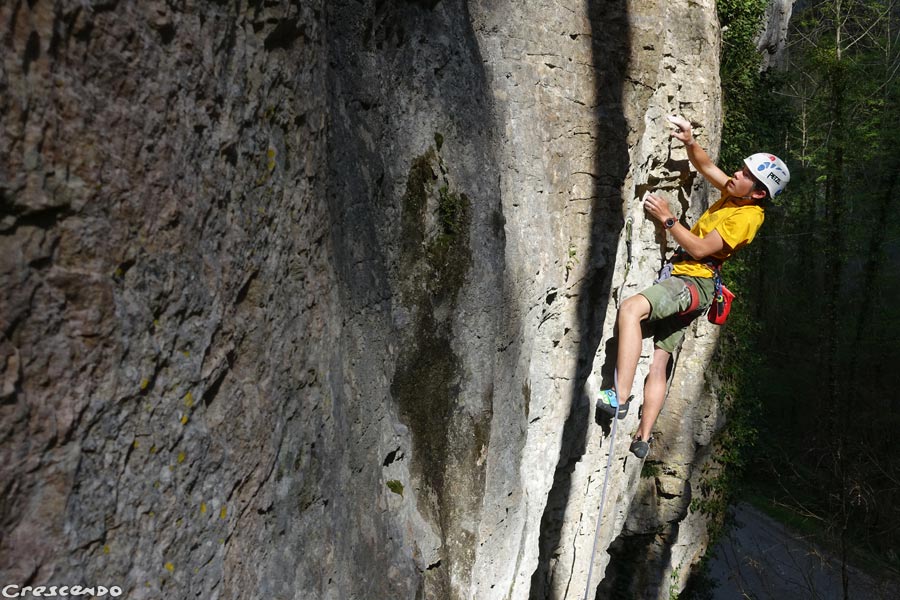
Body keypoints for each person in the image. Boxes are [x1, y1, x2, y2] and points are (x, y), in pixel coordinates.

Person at [596, 115, 790, 459]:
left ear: (759, 192)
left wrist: (668, 218)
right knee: (660, 360)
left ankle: (620, 398)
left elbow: (700, 249)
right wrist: (689, 141)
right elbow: (707, 167)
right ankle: (643, 437)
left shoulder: (747, 217)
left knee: (631, 309)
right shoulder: (736, 195)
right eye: (742, 168)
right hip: (696, 288)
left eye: (746, 175)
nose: (736, 174)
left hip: (692, 282)